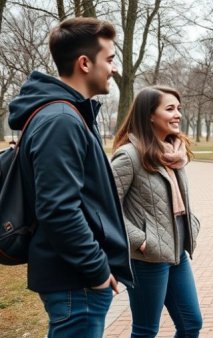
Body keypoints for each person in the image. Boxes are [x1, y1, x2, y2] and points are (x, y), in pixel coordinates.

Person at [7, 17, 133, 337]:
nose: (114, 68)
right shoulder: (61, 119)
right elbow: (58, 209)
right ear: (84, 63)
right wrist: (97, 271)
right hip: (76, 285)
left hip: (77, 282)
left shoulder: (68, 113)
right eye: (110, 59)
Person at [111, 86, 202, 338]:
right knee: (145, 331)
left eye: (179, 109)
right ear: (149, 114)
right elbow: (106, 208)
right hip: (146, 259)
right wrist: (139, 240)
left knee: (191, 324)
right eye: (170, 109)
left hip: (176, 253)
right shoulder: (129, 156)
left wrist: (192, 223)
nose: (178, 115)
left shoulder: (174, 152)